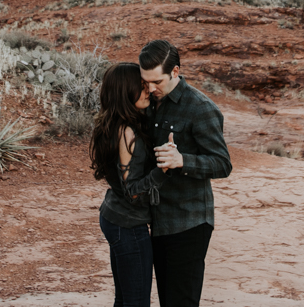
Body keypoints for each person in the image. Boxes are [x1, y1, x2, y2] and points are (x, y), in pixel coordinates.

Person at [139, 39, 232, 307]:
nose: (151, 88)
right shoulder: (151, 101)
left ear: (176, 72)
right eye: (146, 81)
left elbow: (222, 164)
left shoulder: (201, 108)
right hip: (158, 221)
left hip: (189, 223)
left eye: (157, 81)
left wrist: (183, 160)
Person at [91, 63, 166, 307]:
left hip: (116, 218)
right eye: (141, 87)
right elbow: (133, 193)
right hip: (128, 225)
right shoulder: (127, 133)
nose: (148, 91)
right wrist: (163, 169)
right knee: (136, 302)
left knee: (124, 300)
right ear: (125, 92)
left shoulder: (115, 124)